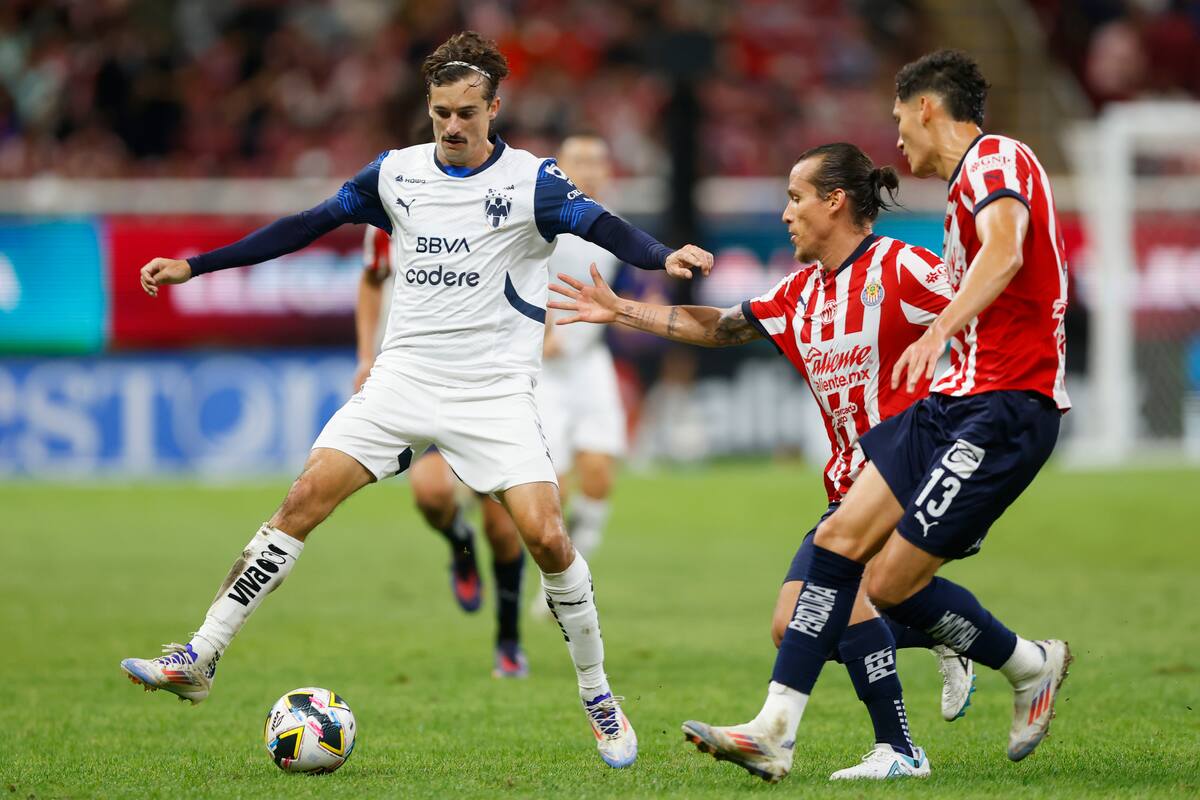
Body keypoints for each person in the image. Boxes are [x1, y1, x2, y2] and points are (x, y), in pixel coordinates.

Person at [121, 30, 713, 769]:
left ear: (494, 108)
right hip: (402, 382)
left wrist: (664, 255)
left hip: (492, 394)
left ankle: (596, 692)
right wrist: (196, 265)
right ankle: (201, 656)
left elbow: (605, 227)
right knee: (302, 500)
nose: (453, 127)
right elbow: (307, 225)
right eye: (440, 113)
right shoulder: (395, 174)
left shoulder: (532, 181)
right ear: (427, 110)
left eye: (467, 112)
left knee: (549, 539)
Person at [676, 50, 1072, 782]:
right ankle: (774, 730)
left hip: (1008, 403)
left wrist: (938, 328)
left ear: (926, 107)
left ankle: (1023, 666)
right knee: (838, 540)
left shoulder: (995, 161)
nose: (897, 142)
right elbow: (716, 324)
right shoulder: (959, 194)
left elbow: (1008, 253)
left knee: (887, 586)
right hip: (957, 400)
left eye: (898, 120)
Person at [551, 142, 974, 780]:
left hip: (904, 476)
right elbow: (719, 327)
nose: (785, 213)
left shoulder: (903, 267)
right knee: (791, 624)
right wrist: (621, 310)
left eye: (795, 197)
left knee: (842, 597)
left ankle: (886, 745)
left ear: (835, 202)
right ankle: (959, 636)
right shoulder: (802, 291)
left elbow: (976, 305)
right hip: (845, 488)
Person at [357, 225, 528, 678]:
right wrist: (364, 356)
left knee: (503, 526)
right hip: (414, 378)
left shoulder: (496, 205)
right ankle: (459, 542)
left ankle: (508, 641)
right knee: (430, 492)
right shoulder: (391, 208)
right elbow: (372, 280)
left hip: (485, 381)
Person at [536, 133, 627, 562]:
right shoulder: (544, 218)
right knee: (551, 483)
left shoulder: (610, 221)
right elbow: (518, 272)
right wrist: (545, 329)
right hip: (542, 368)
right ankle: (556, 576)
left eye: (597, 160)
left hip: (589, 360)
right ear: (561, 167)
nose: (590, 169)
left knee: (599, 473)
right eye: (580, 160)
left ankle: (580, 563)